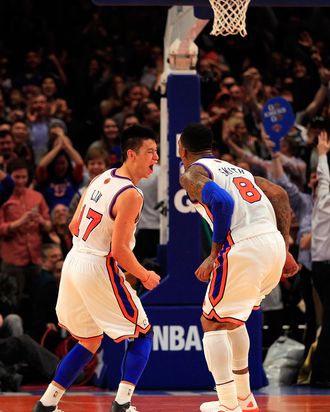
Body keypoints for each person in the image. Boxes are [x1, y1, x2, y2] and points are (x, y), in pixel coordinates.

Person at [32, 125, 161, 412]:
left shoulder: (102, 177)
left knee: (89, 339)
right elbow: (119, 251)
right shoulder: (131, 194)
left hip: (75, 259)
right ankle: (123, 404)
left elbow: (73, 224)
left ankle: (47, 404)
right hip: (98, 264)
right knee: (143, 334)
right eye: (150, 152)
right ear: (131, 154)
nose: (156, 158)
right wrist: (145, 275)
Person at [178, 123, 299, 412]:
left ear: (182, 150)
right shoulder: (239, 171)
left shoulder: (192, 173)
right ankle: (244, 398)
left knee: (211, 321)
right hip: (270, 244)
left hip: (244, 247)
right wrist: (285, 246)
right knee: (233, 320)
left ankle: (227, 404)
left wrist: (214, 253)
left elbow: (221, 202)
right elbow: (280, 194)